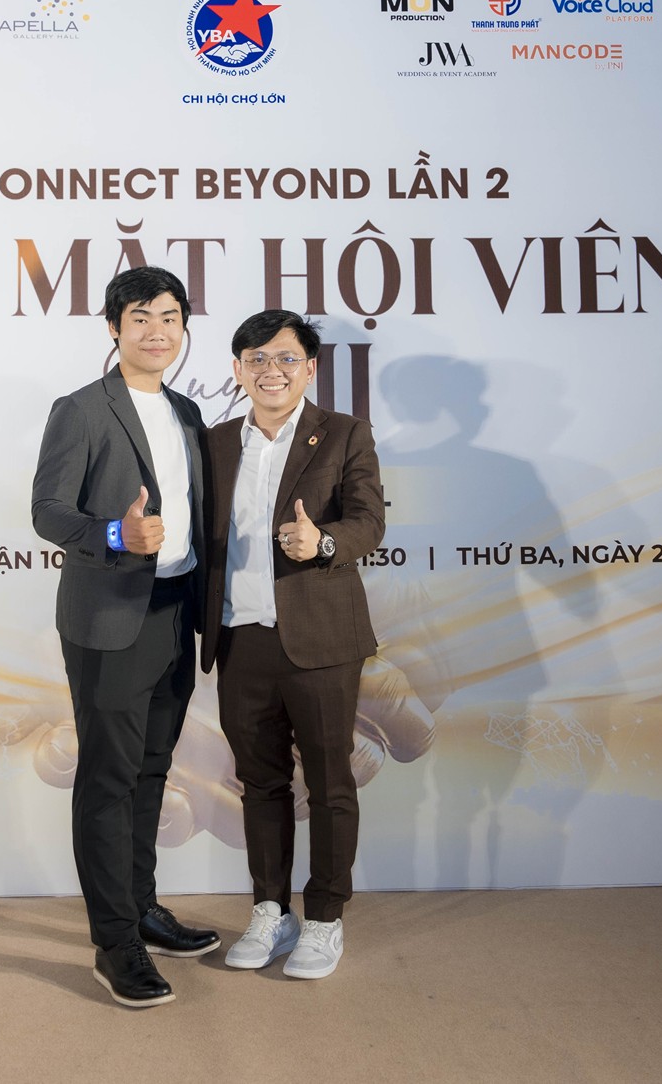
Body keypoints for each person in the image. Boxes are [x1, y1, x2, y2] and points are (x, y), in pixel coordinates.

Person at [30, 266, 219, 1009]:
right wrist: (116, 532)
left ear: (184, 330)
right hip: (110, 617)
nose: (157, 331)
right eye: (140, 317)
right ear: (113, 329)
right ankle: (114, 943)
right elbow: (48, 512)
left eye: (170, 317)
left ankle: (142, 909)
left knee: (151, 769)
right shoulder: (80, 409)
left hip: (175, 610)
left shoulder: (188, 412)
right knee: (108, 778)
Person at [201, 309, 385, 980]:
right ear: (237, 369)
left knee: (331, 782)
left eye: (285, 358)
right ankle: (271, 910)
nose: (269, 370)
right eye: (255, 358)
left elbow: (369, 522)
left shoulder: (344, 433)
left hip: (321, 640)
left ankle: (325, 918)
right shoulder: (216, 443)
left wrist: (323, 542)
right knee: (260, 784)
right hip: (240, 637)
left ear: (309, 369)